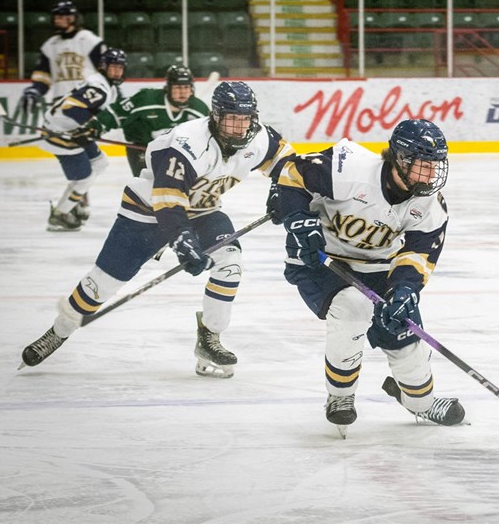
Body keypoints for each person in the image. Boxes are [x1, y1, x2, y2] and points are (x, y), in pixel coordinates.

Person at [21, 82, 297, 378]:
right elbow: (167, 199)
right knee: (102, 284)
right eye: (231, 119)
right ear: (215, 116)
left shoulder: (259, 138)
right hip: (146, 211)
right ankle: (59, 331)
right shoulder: (186, 142)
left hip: (203, 212)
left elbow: (289, 161)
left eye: (245, 119)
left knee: (230, 264)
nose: (239, 127)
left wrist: (285, 189)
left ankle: (210, 338)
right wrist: (182, 240)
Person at [271, 119, 465, 433]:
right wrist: (297, 219)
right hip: (322, 260)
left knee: (406, 339)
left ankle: (421, 403)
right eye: (423, 166)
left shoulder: (430, 206)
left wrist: (404, 291)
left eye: (436, 166)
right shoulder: (349, 168)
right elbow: (293, 173)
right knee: (352, 309)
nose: (431, 174)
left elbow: (418, 256)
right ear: (400, 161)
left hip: (378, 268)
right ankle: (340, 396)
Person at [40, 47, 127, 232]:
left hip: (72, 130)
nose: (117, 71)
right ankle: (59, 215)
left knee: (101, 163)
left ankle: (72, 203)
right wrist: (84, 127)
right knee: (84, 178)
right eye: (113, 67)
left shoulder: (105, 85)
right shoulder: (99, 87)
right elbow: (71, 108)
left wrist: (87, 129)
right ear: (104, 66)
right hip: (61, 131)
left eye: (120, 67)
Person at [96, 65, 209, 176]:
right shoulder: (146, 99)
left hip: (176, 152)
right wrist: (95, 126)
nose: (182, 92)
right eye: (177, 87)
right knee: (147, 184)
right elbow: (116, 113)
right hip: (141, 148)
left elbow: (210, 136)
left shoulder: (199, 109)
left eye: (186, 87)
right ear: (168, 88)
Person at [18, 0, 106, 127]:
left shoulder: (90, 40)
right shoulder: (50, 45)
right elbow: (43, 77)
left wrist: (115, 96)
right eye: (55, 17)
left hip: (86, 100)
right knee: (64, 142)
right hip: (60, 101)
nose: (56, 21)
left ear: (71, 18)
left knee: (83, 139)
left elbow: (106, 72)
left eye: (60, 17)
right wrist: (35, 90)